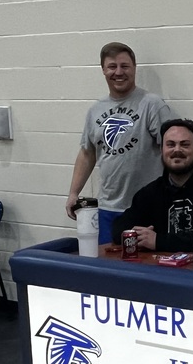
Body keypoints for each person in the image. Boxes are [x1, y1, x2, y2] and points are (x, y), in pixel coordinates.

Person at [66, 42, 174, 243]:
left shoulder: (152, 105)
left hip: (146, 208)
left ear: (134, 68)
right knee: (108, 266)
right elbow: (87, 153)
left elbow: (171, 151)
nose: (118, 72)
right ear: (103, 70)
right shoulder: (95, 110)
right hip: (107, 208)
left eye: (124, 66)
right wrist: (74, 193)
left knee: (142, 269)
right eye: (112, 67)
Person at [111, 119, 193, 252]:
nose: (177, 150)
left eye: (185, 145)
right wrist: (136, 235)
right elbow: (119, 228)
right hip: (158, 270)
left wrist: (159, 241)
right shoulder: (151, 192)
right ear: (161, 150)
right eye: (170, 144)